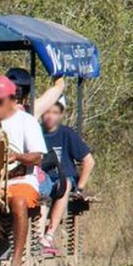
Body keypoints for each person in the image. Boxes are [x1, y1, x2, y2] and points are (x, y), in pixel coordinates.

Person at [0, 76, 47, 266]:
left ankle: (16, 262)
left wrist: (17, 156)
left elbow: (37, 156)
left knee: (19, 202)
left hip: (21, 178)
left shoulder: (26, 121)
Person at [39, 97, 95, 253]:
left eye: (55, 112)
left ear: (60, 114)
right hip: (43, 178)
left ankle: (49, 235)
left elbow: (89, 161)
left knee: (65, 186)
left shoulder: (67, 134)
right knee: (41, 194)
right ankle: (37, 238)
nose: (50, 116)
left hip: (63, 178)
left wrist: (81, 186)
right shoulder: (36, 132)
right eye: (47, 112)